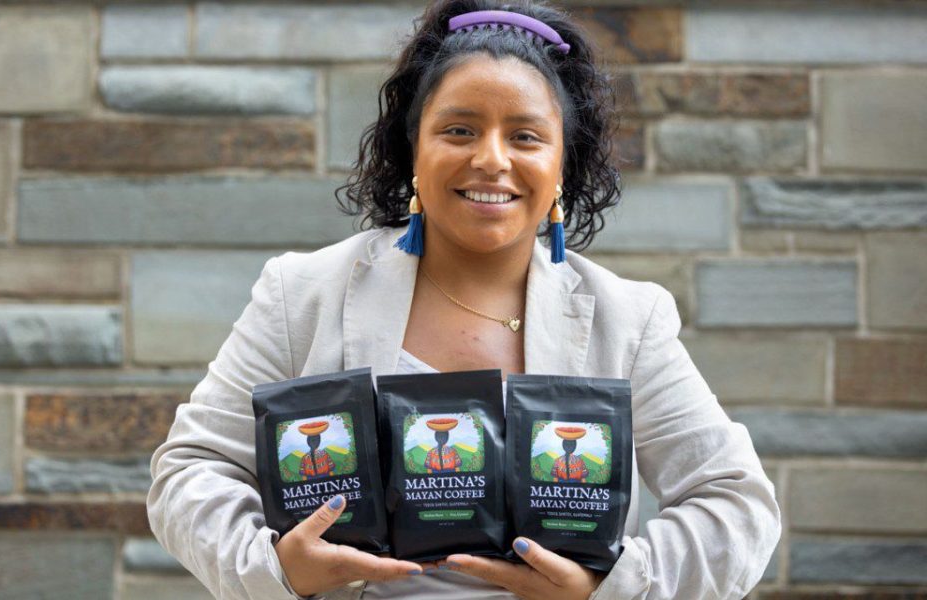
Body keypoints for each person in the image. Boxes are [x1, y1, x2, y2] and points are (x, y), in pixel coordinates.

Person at [147, 0, 781, 598]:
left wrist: (611, 587)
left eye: (526, 136)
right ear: (413, 151)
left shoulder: (627, 319)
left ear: (563, 164)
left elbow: (738, 504)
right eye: (459, 129)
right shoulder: (303, 294)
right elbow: (190, 471)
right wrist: (277, 570)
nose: (491, 159)